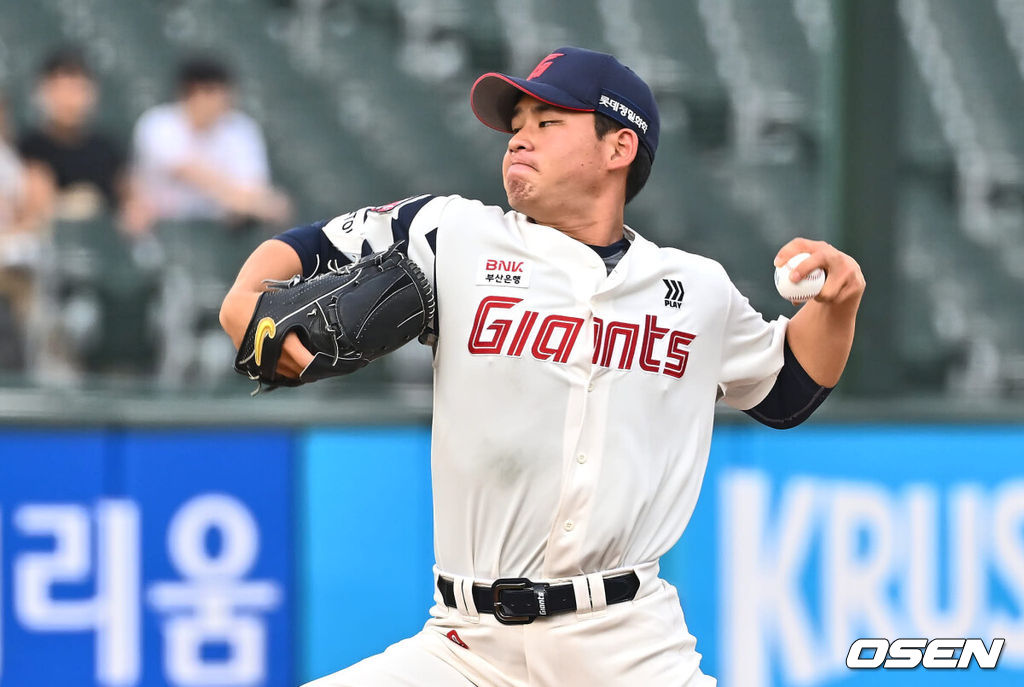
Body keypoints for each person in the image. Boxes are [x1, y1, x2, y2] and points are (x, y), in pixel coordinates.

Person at [221, 46, 865, 686]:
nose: (518, 138)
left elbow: (788, 392)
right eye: (517, 123)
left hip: (628, 650)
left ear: (619, 148)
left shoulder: (697, 289)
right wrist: (244, 304)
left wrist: (840, 300)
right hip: (465, 647)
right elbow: (311, 246)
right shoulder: (455, 233)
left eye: (547, 122)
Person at [129, 55, 290, 233]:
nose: (220, 100)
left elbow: (254, 188)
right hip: (163, 228)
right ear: (189, 93)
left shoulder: (242, 128)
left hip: (223, 230)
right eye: (210, 91)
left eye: (223, 92)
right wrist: (246, 201)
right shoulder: (158, 123)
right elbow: (186, 170)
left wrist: (254, 203)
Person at [17, 46, 128, 223]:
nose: (69, 100)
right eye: (61, 89)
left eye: (77, 89)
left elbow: (130, 201)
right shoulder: (27, 148)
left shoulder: (108, 148)